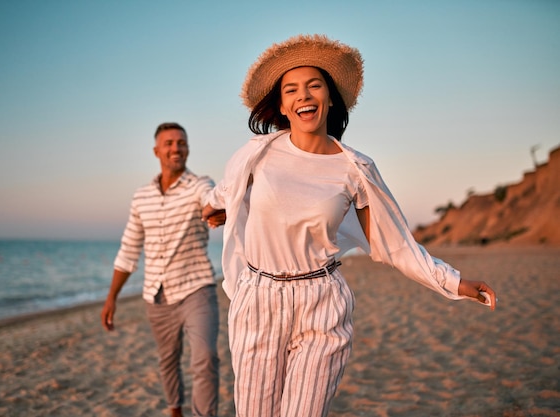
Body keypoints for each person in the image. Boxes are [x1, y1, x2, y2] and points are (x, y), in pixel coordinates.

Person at [202, 34, 497, 417]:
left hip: (321, 302)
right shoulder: (257, 154)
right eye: (291, 89)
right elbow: (225, 191)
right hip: (259, 298)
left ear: (329, 96)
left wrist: (454, 282)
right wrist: (215, 207)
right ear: (281, 105)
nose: (303, 96)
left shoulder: (355, 168)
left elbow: (394, 243)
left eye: (314, 85)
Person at [101, 122, 225, 417]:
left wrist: (216, 210)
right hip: (156, 295)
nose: (175, 147)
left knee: (205, 357)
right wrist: (111, 298)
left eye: (181, 142)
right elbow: (129, 249)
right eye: (168, 143)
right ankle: (175, 411)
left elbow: (210, 199)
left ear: (188, 149)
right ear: (156, 151)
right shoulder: (141, 196)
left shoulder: (199, 184)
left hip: (197, 289)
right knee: (168, 360)